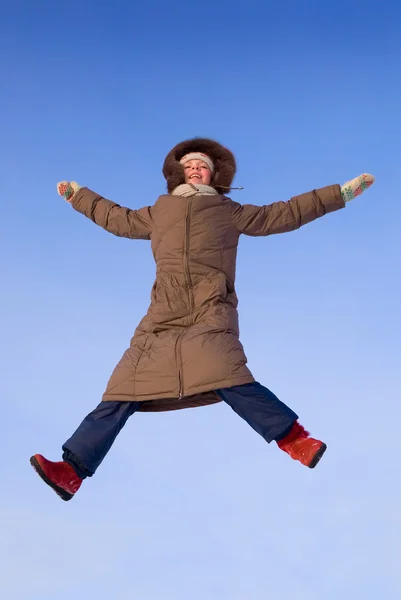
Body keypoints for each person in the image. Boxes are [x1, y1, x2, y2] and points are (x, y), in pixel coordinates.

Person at [30, 138, 375, 501]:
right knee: (121, 390)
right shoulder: (158, 211)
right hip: (162, 316)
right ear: (177, 172)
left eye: (203, 165)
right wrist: (79, 196)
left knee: (230, 377)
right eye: (190, 165)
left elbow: (285, 213)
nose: (195, 169)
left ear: (215, 175)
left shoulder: (228, 210)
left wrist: (342, 193)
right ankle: (71, 471)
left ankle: (295, 440)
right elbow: (116, 218)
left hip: (210, 309)